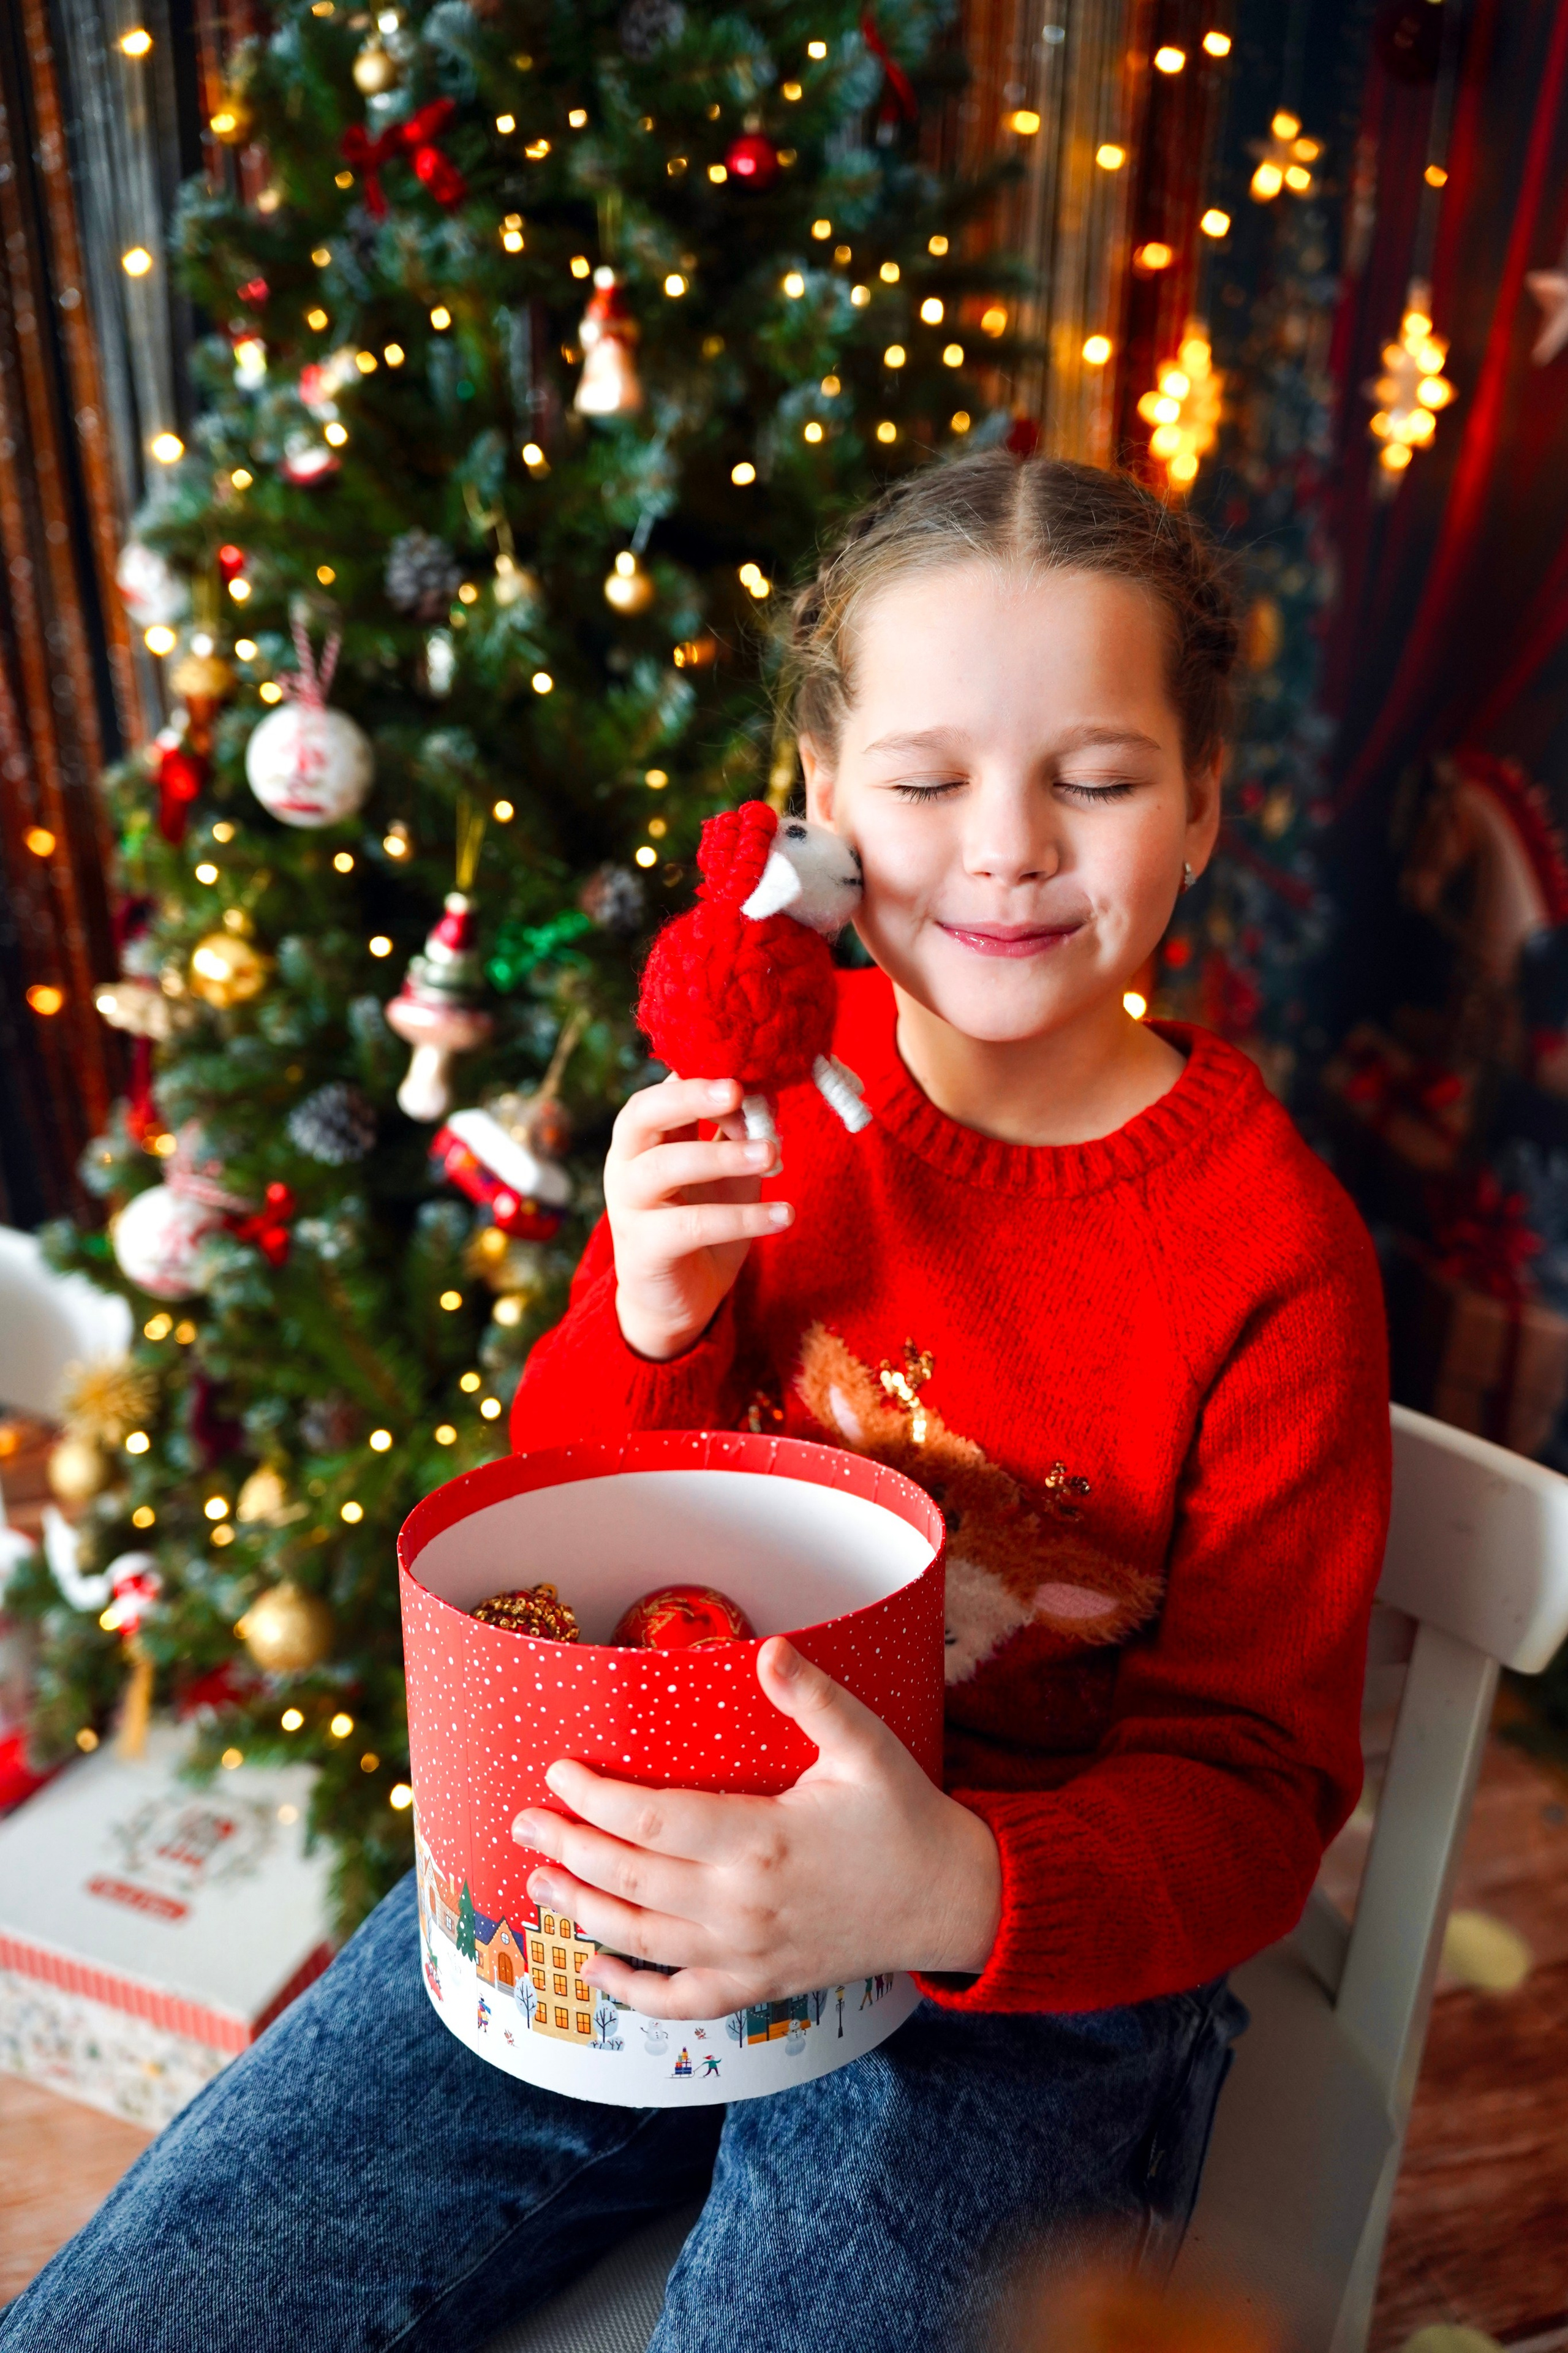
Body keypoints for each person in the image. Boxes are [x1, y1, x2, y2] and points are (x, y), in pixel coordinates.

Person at [3, 453, 1390, 2353]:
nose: (1004, 846)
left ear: (1208, 800)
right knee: (159, 2307)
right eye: (921, 784)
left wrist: (958, 1878)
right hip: (642, 1845)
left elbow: (1258, 1783)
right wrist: (655, 1309)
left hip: (1023, 1945)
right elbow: (562, 1529)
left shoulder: (1272, 1254)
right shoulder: (756, 1104)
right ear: (816, 803)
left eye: (1098, 777)